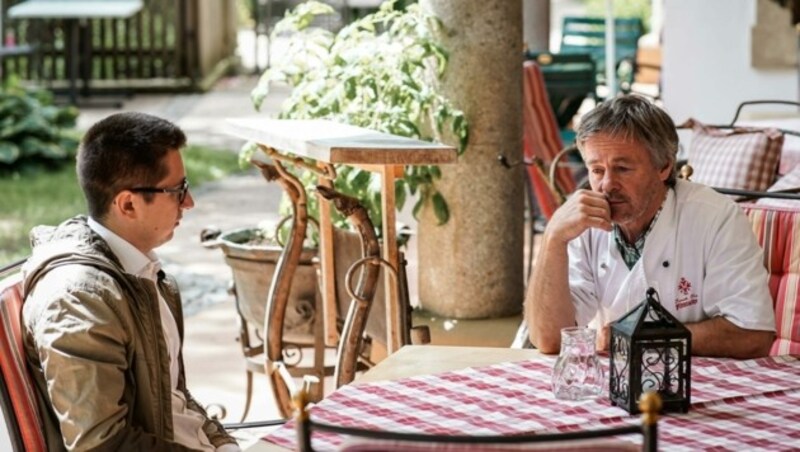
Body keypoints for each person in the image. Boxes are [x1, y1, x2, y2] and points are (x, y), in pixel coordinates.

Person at [22, 112, 239, 451]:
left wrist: (225, 445)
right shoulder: (79, 299)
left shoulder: (141, 273)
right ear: (128, 204)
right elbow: (101, 444)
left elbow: (174, 399)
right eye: (177, 190)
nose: (189, 202)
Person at [525, 95, 775, 359]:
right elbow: (548, 339)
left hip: (696, 385)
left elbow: (753, 335)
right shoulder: (581, 222)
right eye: (596, 170)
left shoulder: (716, 217)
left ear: (664, 166)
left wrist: (642, 337)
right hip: (606, 387)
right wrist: (553, 238)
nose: (606, 185)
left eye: (622, 168)